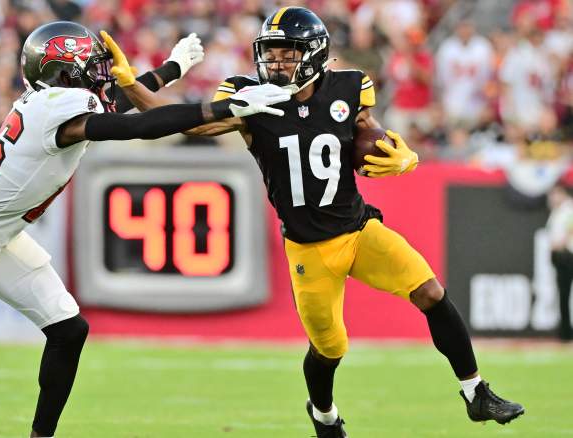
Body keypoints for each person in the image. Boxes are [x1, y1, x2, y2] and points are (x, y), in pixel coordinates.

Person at [0, 21, 291, 438]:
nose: (101, 74)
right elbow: (139, 127)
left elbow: (120, 106)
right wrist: (228, 108)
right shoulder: (59, 110)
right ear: (66, 71)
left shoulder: (56, 102)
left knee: (69, 330)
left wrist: (173, 68)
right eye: (91, 66)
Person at [134, 7, 525, 437]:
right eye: (273, 55)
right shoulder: (252, 99)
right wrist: (131, 84)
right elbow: (174, 121)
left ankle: (475, 392)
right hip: (309, 248)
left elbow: (369, 131)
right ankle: (323, 415)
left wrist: (402, 153)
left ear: (316, 55)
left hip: (358, 230)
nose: (277, 64)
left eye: (288, 55)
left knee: (430, 290)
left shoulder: (349, 87)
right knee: (330, 346)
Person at [547, 182, 573, 341]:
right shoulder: (557, 212)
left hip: (567, 255)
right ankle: (565, 331)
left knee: (566, 295)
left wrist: (561, 242)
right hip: (560, 257)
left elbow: (570, 227)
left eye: (556, 193)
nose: (552, 198)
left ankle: (566, 333)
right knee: (563, 295)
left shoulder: (568, 208)